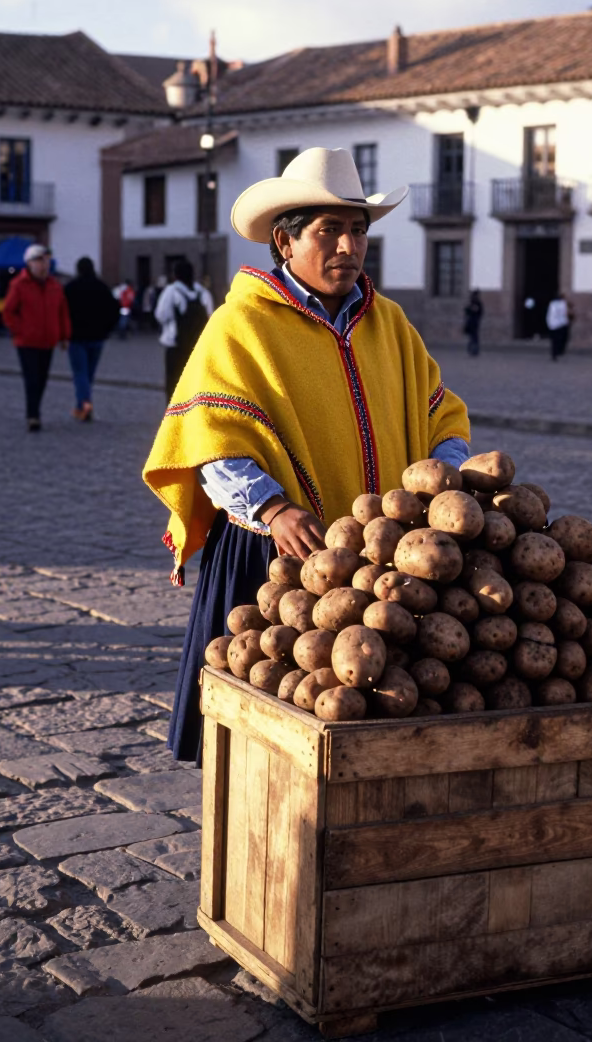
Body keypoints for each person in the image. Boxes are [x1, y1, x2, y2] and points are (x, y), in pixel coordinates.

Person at [143, 147, 471, 761]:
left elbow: (440, 414)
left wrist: (445, 474)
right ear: (284, 242)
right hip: (277, 555)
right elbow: (210, 439)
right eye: (329, 231)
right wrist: (271, 508)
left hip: (384, 563)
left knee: (374, 717)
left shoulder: (390, 324)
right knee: (257, 730)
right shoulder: (241, 325)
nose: (347, 246)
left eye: (357, 230)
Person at [2, 244, 71, 431]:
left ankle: (35, 410)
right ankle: (33, 415)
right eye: (39, 260)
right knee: (32, 378)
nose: (44, 265)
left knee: (42, 378)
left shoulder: (55, 286)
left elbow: (62, 312)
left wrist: (64, 336)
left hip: (48, 341)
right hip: (27, 341)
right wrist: (21, 330)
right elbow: (8, 311)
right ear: (29, 263)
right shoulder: (19, 284)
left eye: (46, 261)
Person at [64, 257, 120, 421]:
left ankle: (84, 405)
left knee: (80, 373)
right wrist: (107, 330)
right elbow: (114, 310)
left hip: (76, 337)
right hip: (97, 337)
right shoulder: (102, 287)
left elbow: (62, 311)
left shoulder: (70, 288)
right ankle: (82, 404)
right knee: (89, 374)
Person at [154, 259, 210, 400]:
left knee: (174, 384)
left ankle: (174, 416)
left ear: (175, 275)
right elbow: (210, 315)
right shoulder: (202, 292)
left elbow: (161, 315)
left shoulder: (171, 291)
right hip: (198, 345)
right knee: (195, 384)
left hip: (176, 345)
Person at [546, 292, 570, 361]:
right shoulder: (562, 304)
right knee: (560, 340)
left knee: (555, 341)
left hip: (554, 324)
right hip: (560, 324)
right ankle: (558, 352)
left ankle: (555, 353)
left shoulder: (552, 304)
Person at [463, 289, 483, 356]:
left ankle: (473, 350)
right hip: (471, 322)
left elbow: (480, 312)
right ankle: (472, 350)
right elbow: (467, 311)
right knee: (473, 337)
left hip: (475, 321)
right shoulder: (472, 302)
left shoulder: (478, 303)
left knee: (474, 337)